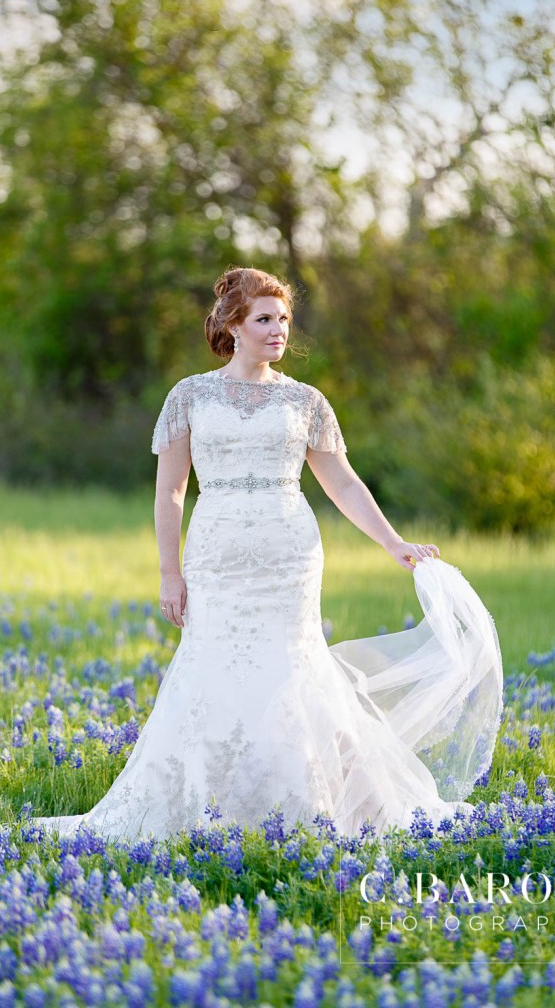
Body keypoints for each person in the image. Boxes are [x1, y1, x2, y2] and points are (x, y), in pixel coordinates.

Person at [31, 266, 503, 844]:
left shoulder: (305, 401)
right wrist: (169, 572)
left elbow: (344, 485)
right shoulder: (190, 396)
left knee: (291, 669)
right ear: (233, 326)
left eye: (283, 319)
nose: (278, 330)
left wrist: (393, 541)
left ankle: (305, 802)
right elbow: (170, 492)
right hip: (216, 551)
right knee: (212, 665)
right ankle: (204, 804)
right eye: (264, 319)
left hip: (289, 555)